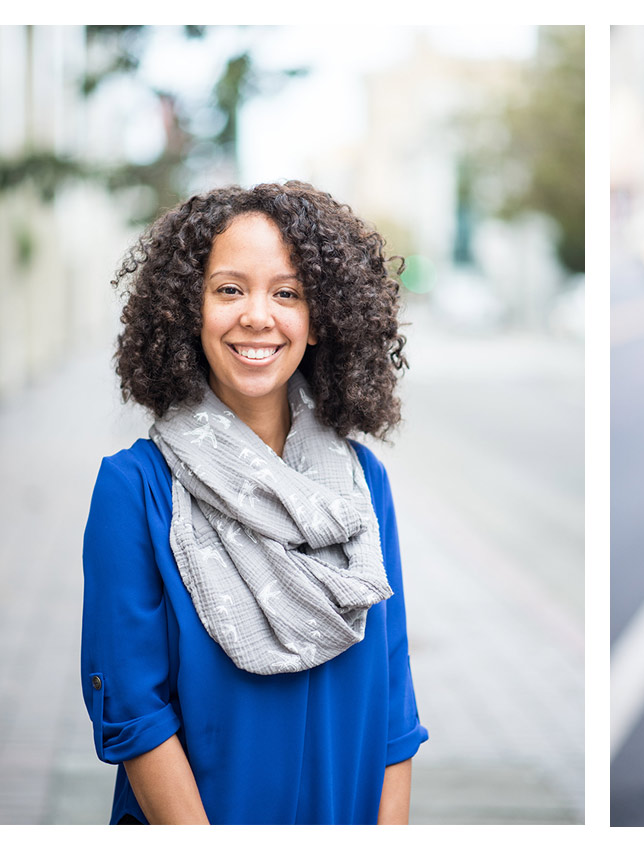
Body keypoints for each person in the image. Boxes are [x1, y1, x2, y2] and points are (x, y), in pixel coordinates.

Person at [81, 181, 428, 825]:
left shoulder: (362, 483)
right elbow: (135, 713)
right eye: (229, 289)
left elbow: (393, 701)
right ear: (190, 308)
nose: (258, 316)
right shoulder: (136, 489)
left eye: (288, 292)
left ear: (321, 320)